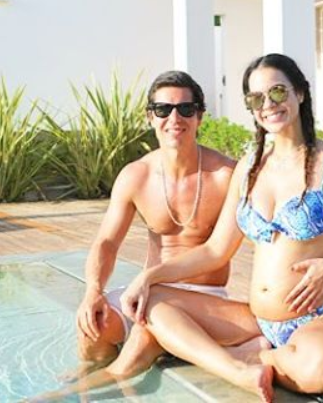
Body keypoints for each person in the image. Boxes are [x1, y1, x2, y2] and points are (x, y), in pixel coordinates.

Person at [119, 53, 323, 402]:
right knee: (153, 302)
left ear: (300, 92)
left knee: (320, 374)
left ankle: (237, 358)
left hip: (317, 318)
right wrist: (149, 276)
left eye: (277, 92)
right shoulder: (249, 168)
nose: (268, 105)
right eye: (256, 99)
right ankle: (238, 367)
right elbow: (215, 251)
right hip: (256, 321)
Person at [62, 70, 236, 389]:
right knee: (93, 323)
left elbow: (238, 245)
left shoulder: (225, 176)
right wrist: (93, 291)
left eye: (185, 109)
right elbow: (107, 242)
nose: (174, 118)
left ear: (199, 116)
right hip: (148, 292)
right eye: (163, 109)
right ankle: (91, 376)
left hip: (204, 296)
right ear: (150, 116)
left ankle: (88, 388)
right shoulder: (137, 175)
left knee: (141, 341)